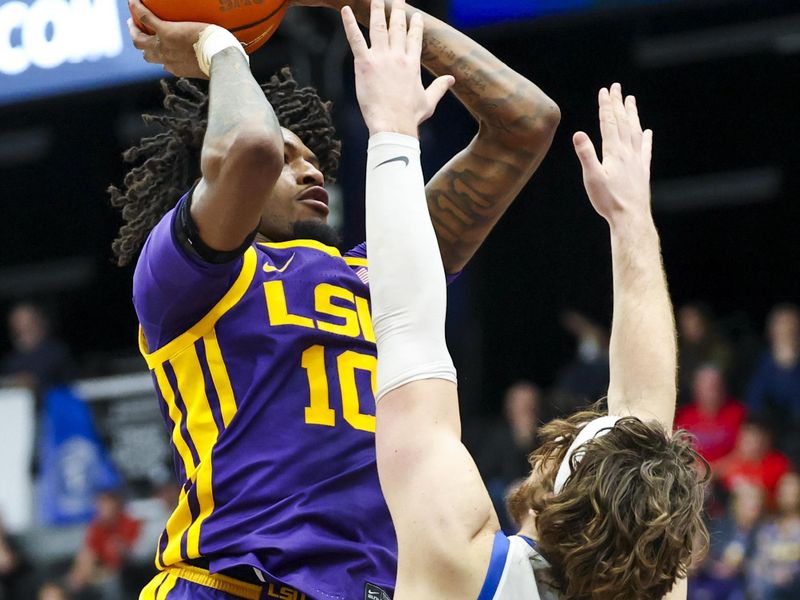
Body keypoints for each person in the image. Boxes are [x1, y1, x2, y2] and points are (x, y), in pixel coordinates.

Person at [121, 0, 560, 596]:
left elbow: (527, 123)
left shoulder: (383, 273)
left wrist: (376, 10)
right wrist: (219, 47)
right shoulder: (182, 278)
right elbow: (250, 145)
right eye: (289, 157)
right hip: (232, 584)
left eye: (312, 159)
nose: (309, 171)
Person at [353, 13, 708, 592]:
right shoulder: (653, 580)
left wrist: (391, 131)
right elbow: (645, 408)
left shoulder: (462, 559)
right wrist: (631, 221)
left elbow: (407, 327)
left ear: (556, 484)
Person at [478, 380, 542, 531]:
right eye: (520, 404)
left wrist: (527, 441)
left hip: (533, 488)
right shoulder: (497, 435)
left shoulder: (543, 435)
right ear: (509, 407)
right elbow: (485, 471)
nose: (524, 409)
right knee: (496, 490)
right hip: (503, 494)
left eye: (528, 404)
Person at [746, 303, 800, 463]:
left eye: (790, 327)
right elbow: (754, 402)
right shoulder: (763, 361)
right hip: (769, 433)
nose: (785, 331)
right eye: (781, 325)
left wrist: (789, 365)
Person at [67, 489, 141, 600]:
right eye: (101, 505)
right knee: (72, 580)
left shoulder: (130, 523)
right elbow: (90, 552)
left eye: (107, 505)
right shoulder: (96, 527)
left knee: (110, 583)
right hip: (99, 571)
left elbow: (133, 555)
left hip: (127, 573)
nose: (104, 509)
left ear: (117, 505)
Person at [675, 364, 746, 465]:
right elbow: (678, 451)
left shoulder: (739, 413)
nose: (714, 391)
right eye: (708, 387)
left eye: (717, 385)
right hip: (692, 474)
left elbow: (747, 452)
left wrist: (715, 470)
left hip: (727, 475)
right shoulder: (683, 415)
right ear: (696, 389)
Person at [1, 302, 75, 393]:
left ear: (38, 323)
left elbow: (64, 382)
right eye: (17, 324)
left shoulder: (56, 353)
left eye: (27, 324)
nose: (22, 328)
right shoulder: (11, 360)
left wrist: (30, 382)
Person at [748, 472, 800, 599]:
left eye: (791, 492)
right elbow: (757, 564)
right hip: (767, 590)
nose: (785, 496)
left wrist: (789, 575)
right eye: (782, 491)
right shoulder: (768, 529)